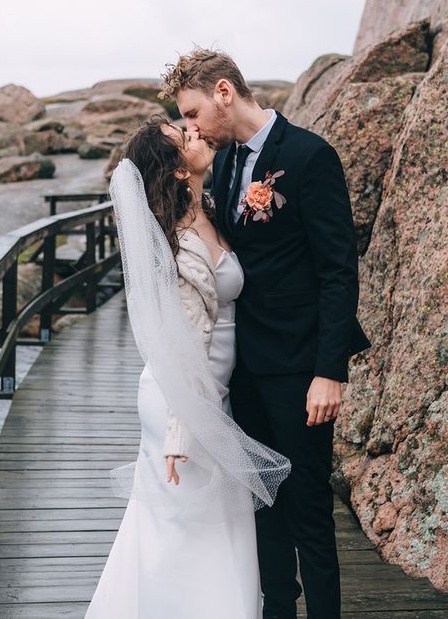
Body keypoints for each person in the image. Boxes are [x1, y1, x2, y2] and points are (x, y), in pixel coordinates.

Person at [160, 48, 372, 619]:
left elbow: (337, 269)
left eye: (194, 111)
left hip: (302, 368)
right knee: (263, 504)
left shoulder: (309, 156)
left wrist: (331, 371)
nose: (192, 127)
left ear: (225, 92)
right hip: (246, 370)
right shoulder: (224, 166)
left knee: (308, 505)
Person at [85, 116, 290, 619]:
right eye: (184, 137)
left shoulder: (211, 212)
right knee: (185, 527)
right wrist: (180, 435)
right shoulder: (176, 245)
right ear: (178, 171)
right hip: (183, 400)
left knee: (221, 524)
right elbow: (187, 346)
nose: (196, 133)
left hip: (212, 396)